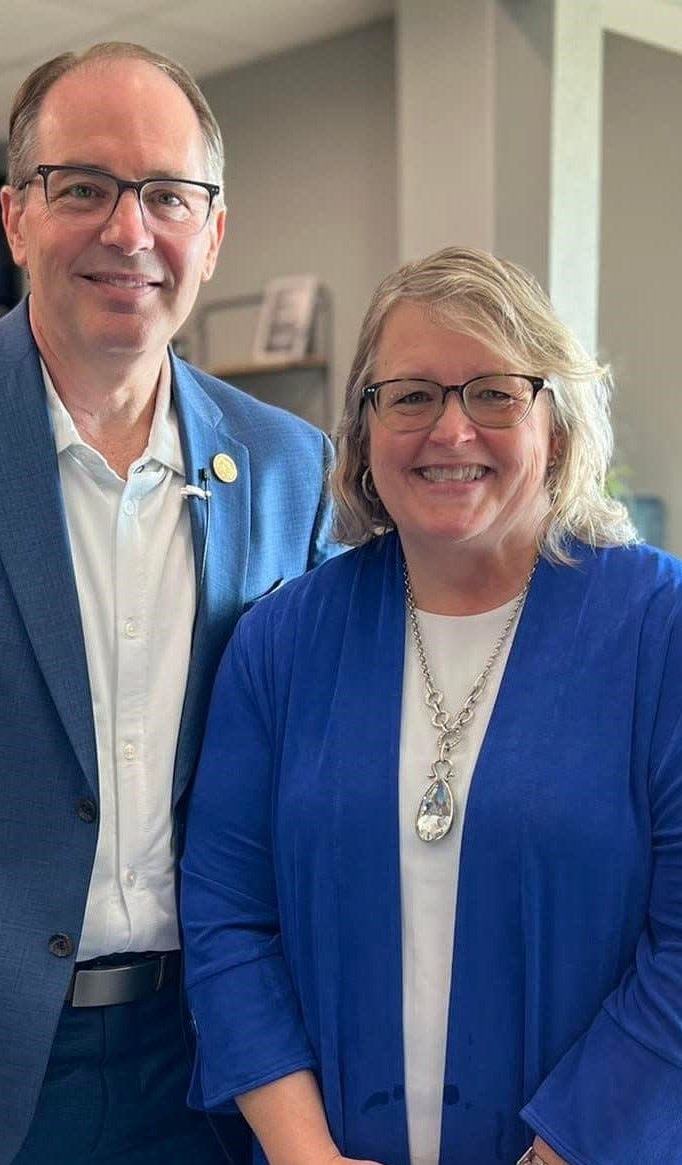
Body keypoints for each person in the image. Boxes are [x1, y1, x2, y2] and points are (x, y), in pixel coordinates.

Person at [0, 41, 336, 1165]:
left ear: (214, 230)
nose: (127, 230)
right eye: (82, 187)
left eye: (165, 194)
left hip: (205, 1069)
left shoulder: (290, 467)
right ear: (13, 218)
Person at [181, 246, 682, 1165]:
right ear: (366, 433)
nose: (451, 431)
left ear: (557, 427)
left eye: (494, 392)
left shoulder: (660, 629)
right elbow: (226, 917)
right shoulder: (282, 644)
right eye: (411, 396)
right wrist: (306, 1156)